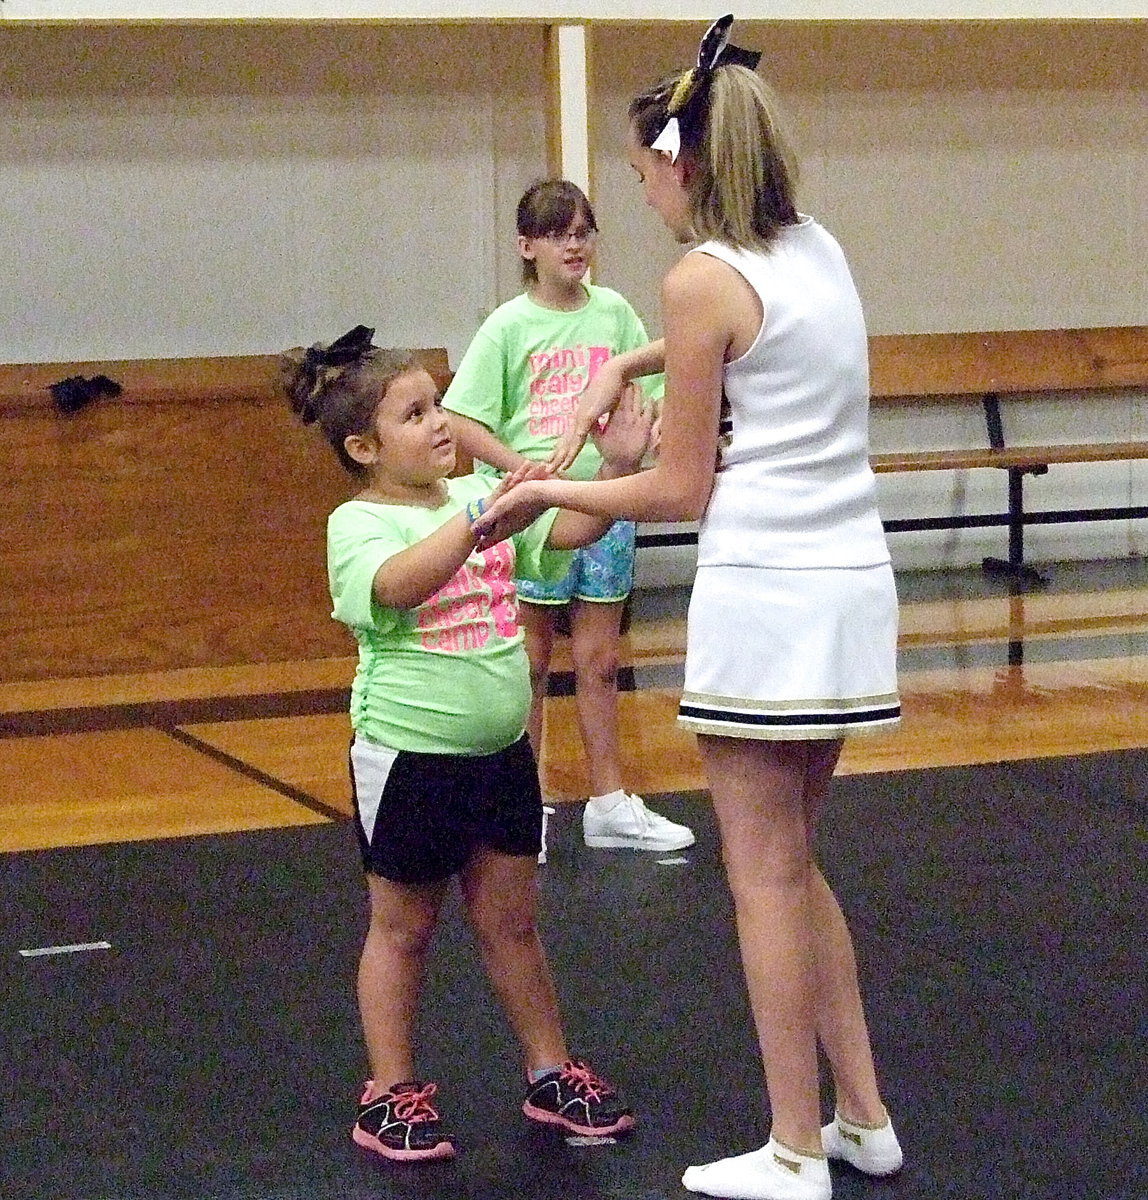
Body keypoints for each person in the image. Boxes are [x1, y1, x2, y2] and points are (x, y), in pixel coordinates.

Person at [474, 18, 903, 1200]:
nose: (635, 188)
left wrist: (551, 485)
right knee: (795, 863)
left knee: (759, 875)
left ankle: (793, 1146)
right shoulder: (817, 247)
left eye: (641, 169)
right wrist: (627, 371)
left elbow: (674, 484)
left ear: (684, 162)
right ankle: (861, 1115)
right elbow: (743, 348)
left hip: (766, 593)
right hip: (850, 587)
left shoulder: (695, 277)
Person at [281, 326, 648, 1163]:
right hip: (409, 759)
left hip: (500, 756)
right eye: (417, 413)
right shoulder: (358, 522)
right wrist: (485, 514)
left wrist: (617, 471)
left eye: (440, 403)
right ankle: (391, 1093)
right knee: (402, 927)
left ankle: (550, 1071)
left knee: (514, 924)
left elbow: (560, 536)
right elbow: (397, 586)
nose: (442, 422)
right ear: (365, 446)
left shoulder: (470, 496)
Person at [443, 179, 695, 855]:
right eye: (557, 234)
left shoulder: (614, 314)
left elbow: (658, 393)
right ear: (527, 247)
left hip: (608, 500)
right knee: (528, 660)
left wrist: (652, 441)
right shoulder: (508, 325)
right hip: (532, 515)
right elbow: (462, 418)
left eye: (584, 231)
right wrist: (519, 470)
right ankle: (521, 806)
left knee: (601, 659)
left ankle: (609, 800)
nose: (574, 244)